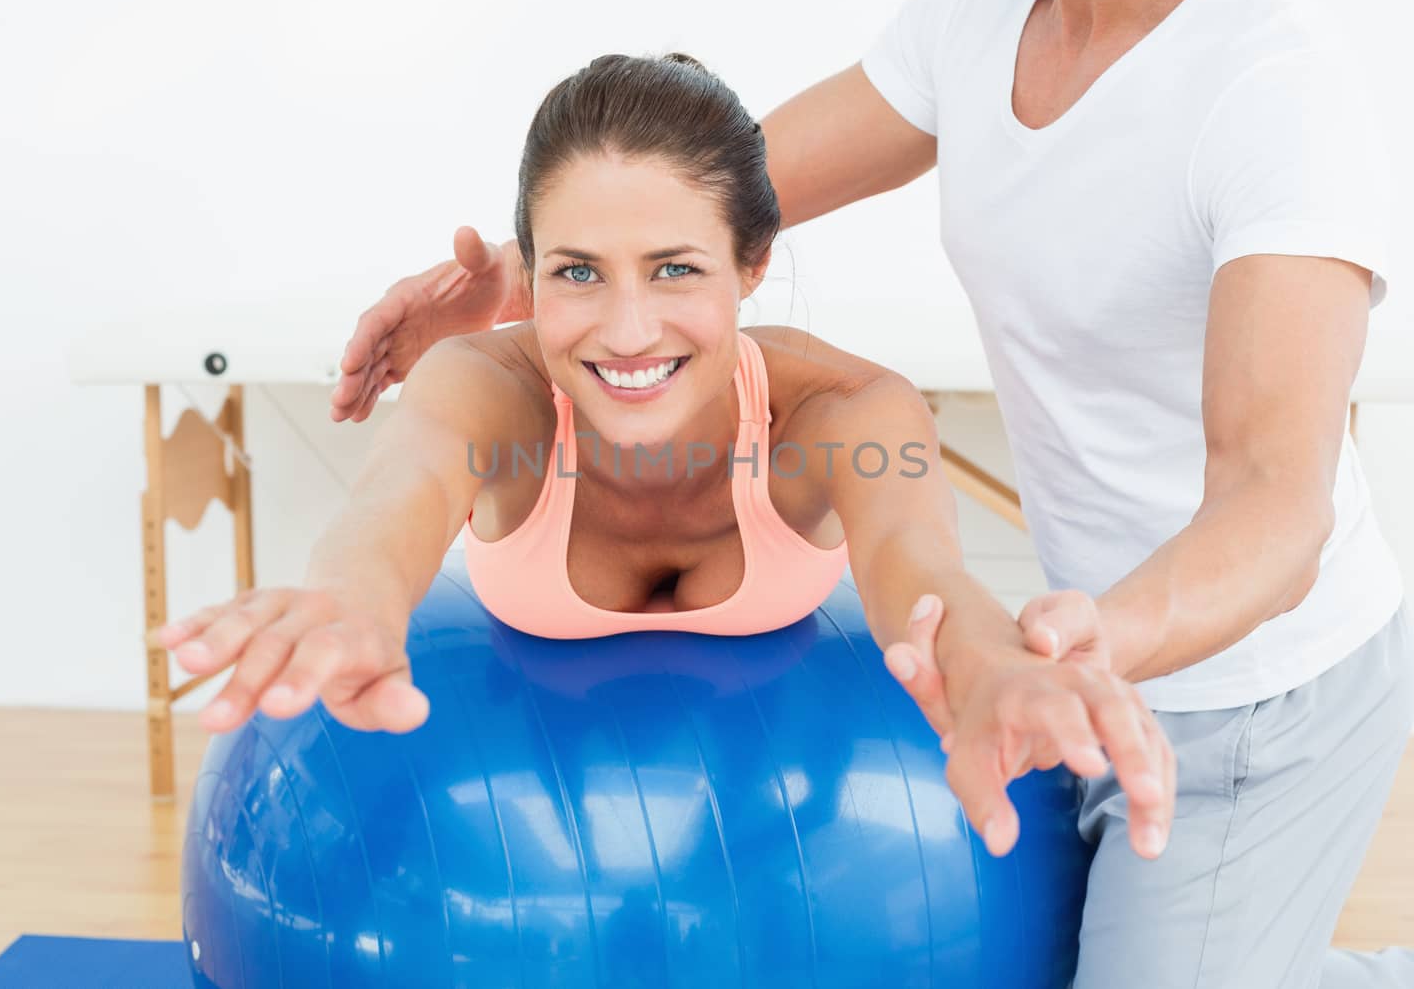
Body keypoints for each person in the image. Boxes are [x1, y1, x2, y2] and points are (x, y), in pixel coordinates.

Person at [328, 0, 1414, 986]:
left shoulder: (1272, 91)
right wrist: (528, 280)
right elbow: (705, 183)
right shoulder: (981, 17)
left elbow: (1278, 504)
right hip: (1063, 649)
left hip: (1249, 691)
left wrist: (1103, 643)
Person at [151, 51, 1172, 861]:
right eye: (579, 272)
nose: (627, 329)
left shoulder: (850, 410)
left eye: (675, 268)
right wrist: (352, 601)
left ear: (751, 265)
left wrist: (986, 661)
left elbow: (924, 565)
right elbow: (395, 501)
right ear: (530, 274)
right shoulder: (485, 385)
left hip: (785, 828)